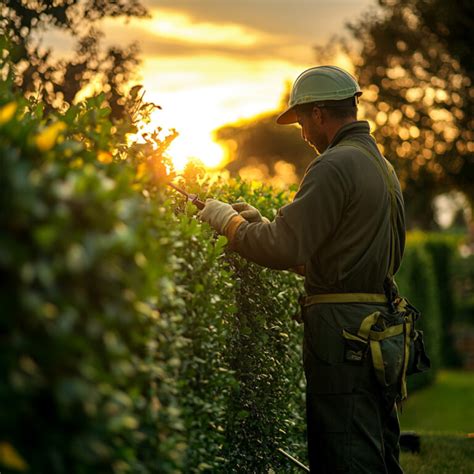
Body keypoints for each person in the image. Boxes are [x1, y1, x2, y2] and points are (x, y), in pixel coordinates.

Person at [199, 65, 406, 473]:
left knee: (344, 456)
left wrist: (229, 223)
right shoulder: (379, 165)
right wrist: (258, 224)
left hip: (344, 338)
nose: (303, 134)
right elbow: (334, 256)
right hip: (377, 329)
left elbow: (284, 246)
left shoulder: (334, 165)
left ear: (318, 114)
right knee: (376, 450)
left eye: (301, 123)